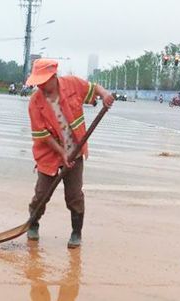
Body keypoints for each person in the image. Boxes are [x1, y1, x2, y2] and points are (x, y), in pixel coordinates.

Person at [25, 58, 114, 248]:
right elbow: (42, 135)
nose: (39, 85)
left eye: (43, 81)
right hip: (49, 153)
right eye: (37, 82)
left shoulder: (72, 85)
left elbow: (94, 88)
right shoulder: (35, 102)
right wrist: (61, 152)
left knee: (74, 195)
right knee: (42, 193)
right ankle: (33, 223)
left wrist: (105, 94)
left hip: (76, 149)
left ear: (53, 77)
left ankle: (76, 232)